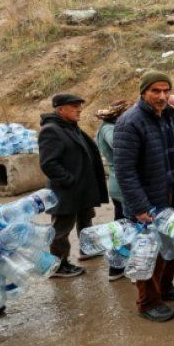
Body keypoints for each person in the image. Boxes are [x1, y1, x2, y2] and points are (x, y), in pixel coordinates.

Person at [113, 71, 174, 322]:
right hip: (145, 203)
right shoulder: (130, 122)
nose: (162, 96)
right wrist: (139, 206)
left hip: (166, 196)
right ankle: (148, 302)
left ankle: (165, 289)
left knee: (167, 247)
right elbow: (125, 171)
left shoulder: (166, 116)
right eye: (156, 91)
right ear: (143, 92)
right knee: (148, 253)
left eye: (166, 90)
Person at [38, 93, 108, 277]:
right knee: (61, 230)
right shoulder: (51, 130)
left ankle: (88, 249)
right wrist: (70, 180)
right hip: (66, 191)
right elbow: (48, 163)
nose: (79, 110)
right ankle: (58, 266)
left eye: (79, 106)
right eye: (74, 106)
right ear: (60, 109)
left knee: (86, 220)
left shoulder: (69, 127)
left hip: (82, 189)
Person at [95, 99, 132, 280]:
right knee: (122, 227)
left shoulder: (111, 126)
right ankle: (116, 267)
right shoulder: (110, 129)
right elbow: (119, 146)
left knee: (124, 225)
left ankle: (120, 265)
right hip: (121, 184)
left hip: (122, 182)